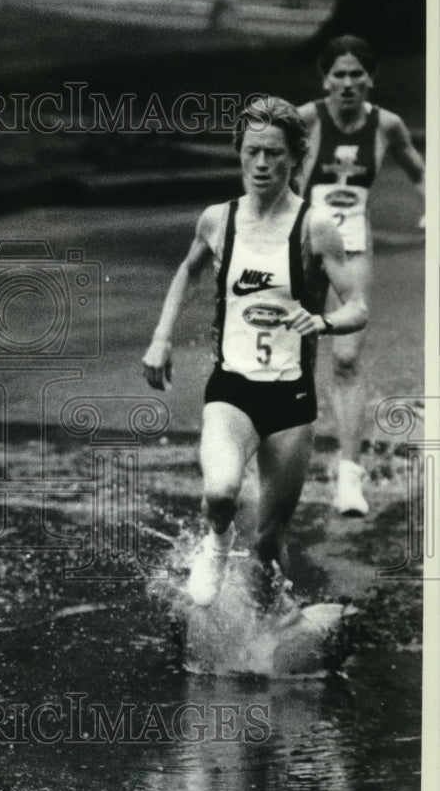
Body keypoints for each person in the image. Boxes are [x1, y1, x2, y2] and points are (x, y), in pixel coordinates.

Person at [142, 96, 368, 607]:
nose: (261, 165)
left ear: (296, 158)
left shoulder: (315, 228)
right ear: (239, 154)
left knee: (269, 542)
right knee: (220, 492)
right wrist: (161, 336)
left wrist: (324, 320)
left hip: (291, 399)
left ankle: (269, 631)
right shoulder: (217, 220)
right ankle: (216, 544)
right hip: (232, 389)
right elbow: (188, 271)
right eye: (251, 152)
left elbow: (358, 307)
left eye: (273, 153)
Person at [297, 35, 425, 516]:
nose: (348, 83)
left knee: (347, 355)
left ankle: (349, 474)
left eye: (357, 74)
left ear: (370, 78)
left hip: (353, 244)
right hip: (305, 245)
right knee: (298, 357)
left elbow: (419, 170)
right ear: (324, 77)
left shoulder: (386, 124)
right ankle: (283, 458)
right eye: (339, 74)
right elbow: (261, 158)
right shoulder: (305, 119)